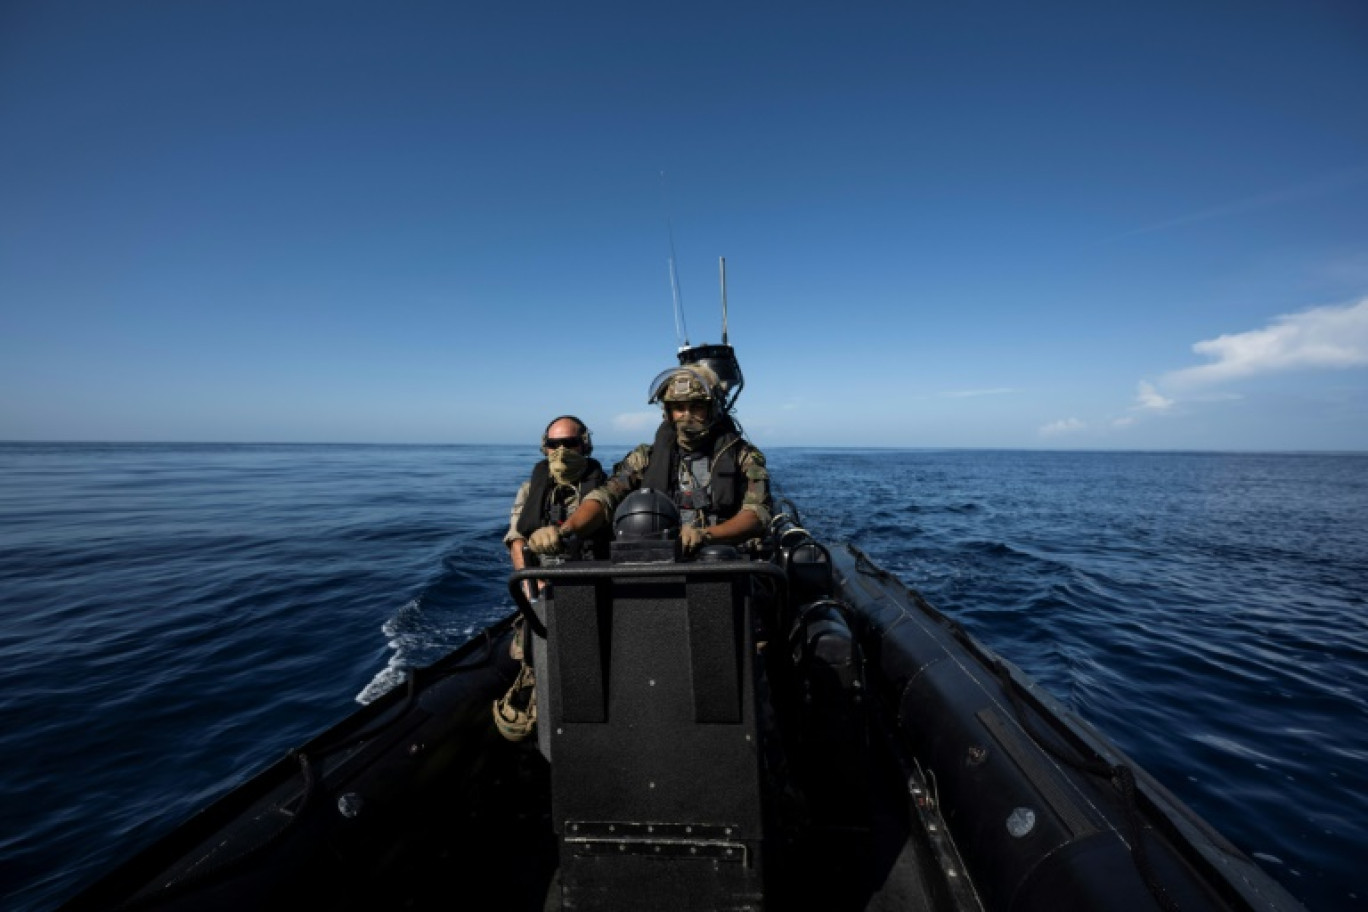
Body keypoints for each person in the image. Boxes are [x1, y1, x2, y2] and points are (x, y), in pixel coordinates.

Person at [527, 363, 772, 556]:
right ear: (667, 411)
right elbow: (604, 498)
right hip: (659, 557)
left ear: (712, 408)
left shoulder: (743, 456)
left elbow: (757, 513)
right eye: (679, 407)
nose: (687, 416)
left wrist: (706, 535)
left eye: (696, 406)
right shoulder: (645, 457)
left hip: (724, 557)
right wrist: (564, 530)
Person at [495, 414, 608, 743]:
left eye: (569, 443)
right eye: (554, 445)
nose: (560, 451)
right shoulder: (532, 490)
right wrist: (534, 588)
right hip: (542, 586)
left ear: (584, 445)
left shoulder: (606, 488)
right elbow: (517, 540)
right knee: (530, 650)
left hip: (593, 581)